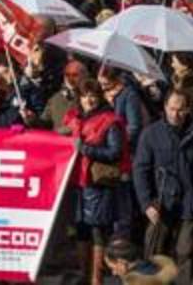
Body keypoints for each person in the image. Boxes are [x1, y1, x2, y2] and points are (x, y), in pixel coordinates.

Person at [134, 91, 193, 284]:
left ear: (188, 109)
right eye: (172, 109)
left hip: (188, 203)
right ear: (165, 107)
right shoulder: (151, 133)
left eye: (181, 109)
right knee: (156, 254)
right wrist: (147, 203)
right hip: (160, 203)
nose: (176, 114)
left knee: (184, 252)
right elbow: (140, 171)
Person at [64, 79, 130, 285]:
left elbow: (115, 152)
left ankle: (96, 279)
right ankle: (84, 275)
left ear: (99, 96)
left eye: (92, 95)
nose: (88, 100)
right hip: (77, 182)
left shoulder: (110, 121)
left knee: (97, 231)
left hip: (98, 184)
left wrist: (85, 149)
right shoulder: (75, 119)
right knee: (81, 230)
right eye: (84, 96)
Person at [104, 236, 179, 284]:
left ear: (121, 262)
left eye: (112, 268)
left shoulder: (136, 282)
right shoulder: (157, 268)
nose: (113, 273)